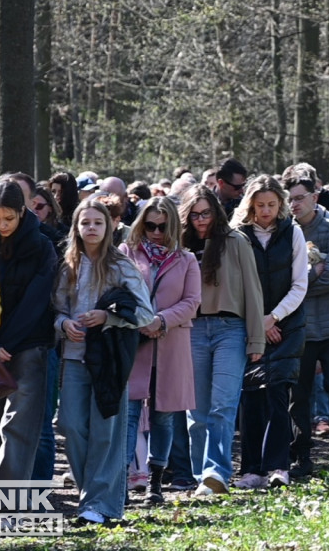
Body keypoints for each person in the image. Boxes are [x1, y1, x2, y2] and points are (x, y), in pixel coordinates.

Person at [54, 199, 154, 525]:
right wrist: (63, 325)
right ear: (77, 227)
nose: (92, 228)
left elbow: (143, 313)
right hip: (73, 357)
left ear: (109, 226)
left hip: (109, 359)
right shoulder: (67, 265)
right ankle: (92, 497)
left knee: (105, 433)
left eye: (98, 222)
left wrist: (107, 317)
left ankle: (97, 505)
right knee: (70, 425)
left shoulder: (121, 265)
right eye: (86, 223)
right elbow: (56, 309)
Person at [182, 186, 265, 497]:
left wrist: (256, 339)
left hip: (231, 327)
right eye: (195, 214)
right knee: (196, 411)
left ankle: (216, 472)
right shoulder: (180, 244)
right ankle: (200, 475)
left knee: (224, 405)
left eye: (206, 213)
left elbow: (253, 291)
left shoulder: (235, 240)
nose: (201, 220)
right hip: (191, 328)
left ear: (216, 212)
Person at [0, 181, 57, 515]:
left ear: (22, 212)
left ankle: (5, 509)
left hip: (29, 344)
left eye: (8, 218)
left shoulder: (42, 246)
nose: (2, 225)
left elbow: (37, 300)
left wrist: (7, 343)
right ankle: (0, 501)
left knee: (18, 427)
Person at [120, 197, 201, 504]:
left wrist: (161, 320)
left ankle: (156, 480)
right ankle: (124, 482)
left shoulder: (187, 259)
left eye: (162, 227)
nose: (155, 232)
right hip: (135, 344)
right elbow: (118, 292)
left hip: (171, 345)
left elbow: (192, 302)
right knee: (128, 413)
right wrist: (139, 321)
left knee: (164, 416)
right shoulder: (126, 253)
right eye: (150, 225)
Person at [233, 175, 308, 489]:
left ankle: (278, 466)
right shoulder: (237, 235)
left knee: (279, 395)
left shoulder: (294, 234)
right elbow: (233, 284)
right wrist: (257, 323)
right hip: (247, 326)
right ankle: (250, 468)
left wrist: (273, 318)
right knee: (251, 399)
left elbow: (300, 284)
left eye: (271, 205)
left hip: (287, 324)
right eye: (260, 205)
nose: (265, 211)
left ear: (281, 205)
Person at [282, 167, 329, 477]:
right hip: (300, 327)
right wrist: (315, 268)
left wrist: (298, 282)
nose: (294, 205)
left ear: (314, 197)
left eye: (300, 198)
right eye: (289, 200)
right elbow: (278, 283)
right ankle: (301, 455)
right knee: (298, 394)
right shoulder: (283, 233)